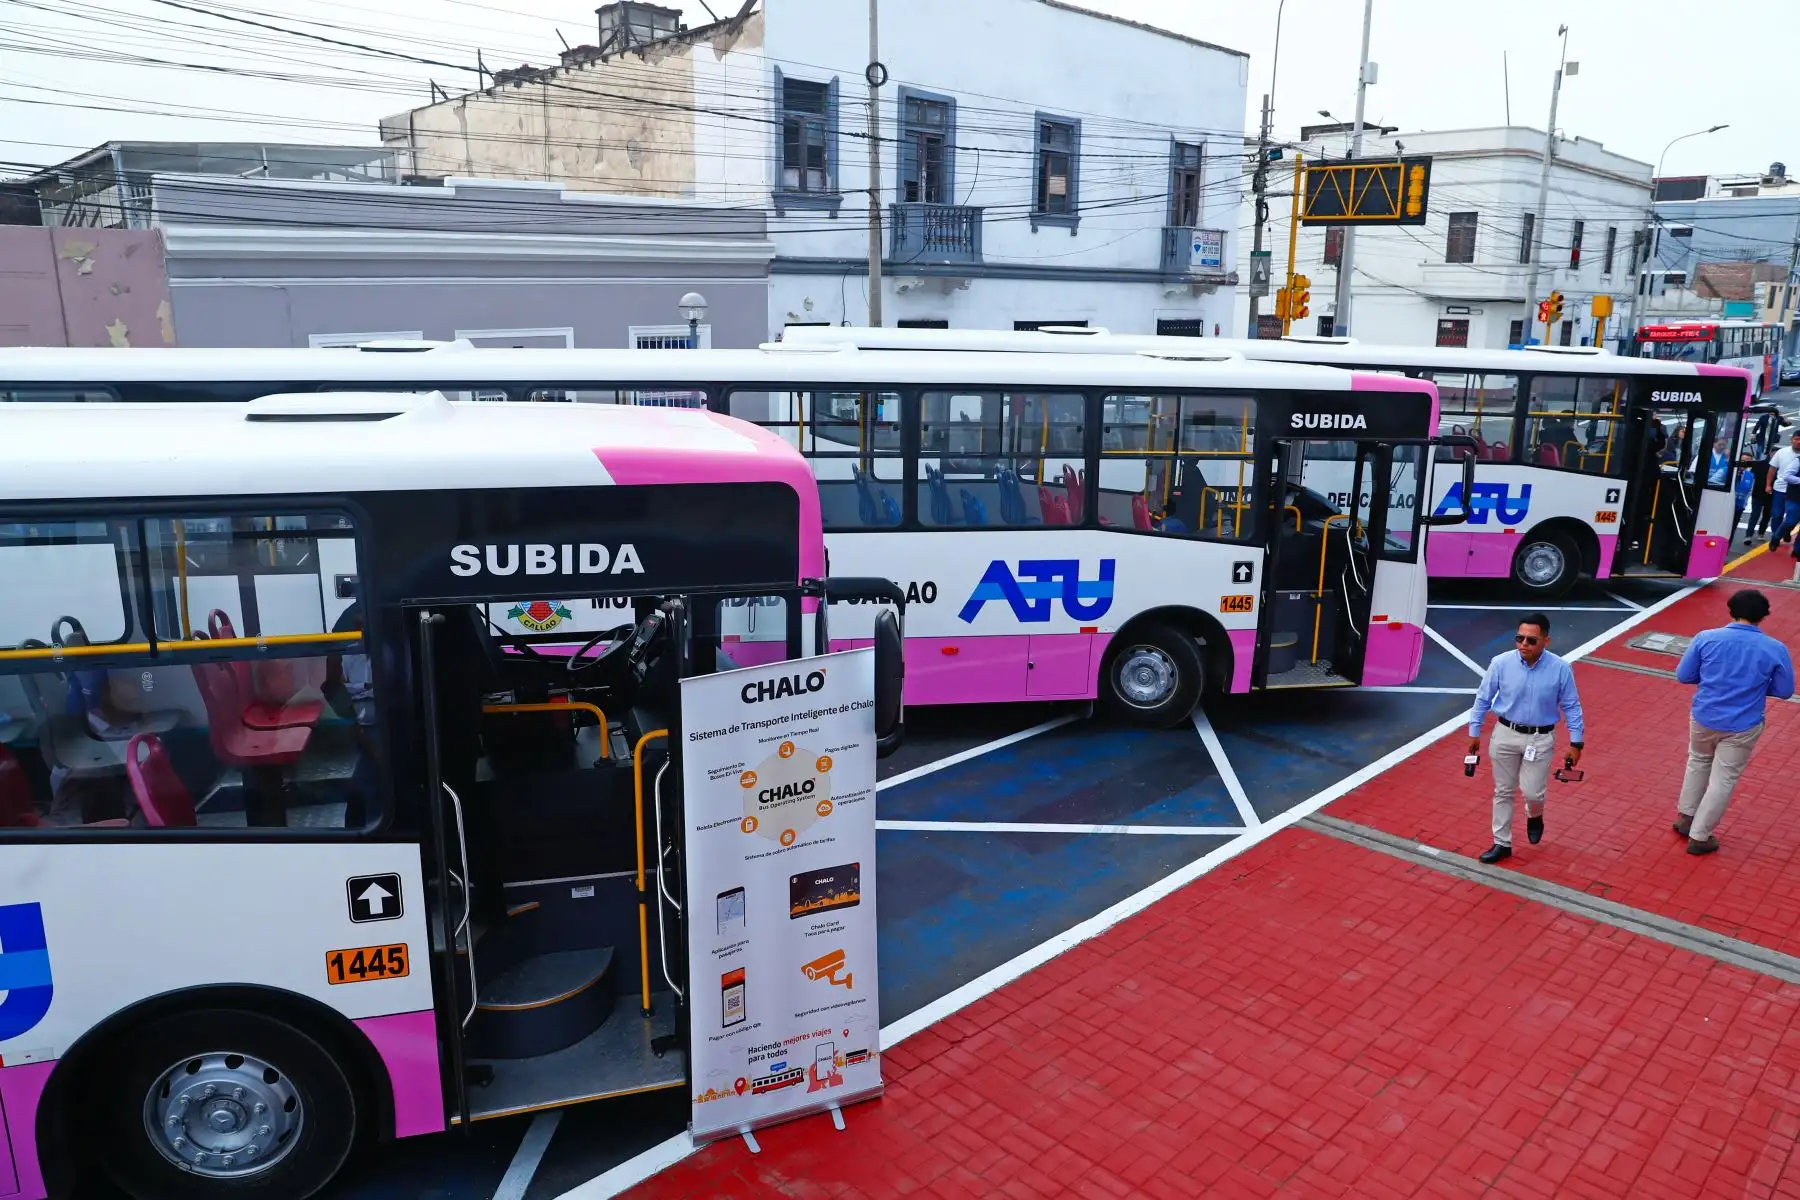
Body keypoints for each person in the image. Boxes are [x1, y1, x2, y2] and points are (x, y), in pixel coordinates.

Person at [1672, 589, 1795, 854]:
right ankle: (1700, 836)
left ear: (1731, 610)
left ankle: (1686, 816)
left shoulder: (1706, 638)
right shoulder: (1775, 648)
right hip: (1743, 724)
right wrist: (1757, 686)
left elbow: (1684, 675)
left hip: (1704, 716)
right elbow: (1785, 691)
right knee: (1723, 778)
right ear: (1763, 616)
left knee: (1697, 761)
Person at [1466, 613, 1586, 864]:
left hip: (1540, 739)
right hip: (1505, 735)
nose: (1523, 645)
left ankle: (1535, 816)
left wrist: (1576, 743)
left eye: (1531, 640)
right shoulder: (1500, 663)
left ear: (1546, 641)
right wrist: (1474, 732)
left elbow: (1572, 706)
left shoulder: (1561, 668)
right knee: (1503, 791)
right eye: (1519, 638)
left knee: (1533, 793)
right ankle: (1502, 843)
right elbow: (1483, 698)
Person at [1766, 429, 1800, 550]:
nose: (1798, 442)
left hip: (1796, 493)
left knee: (1791, 518)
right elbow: (1772, 469)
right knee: (1777, 515)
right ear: (1791, 440)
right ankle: (1776, 536)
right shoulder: (1782, 452)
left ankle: (1784, 532)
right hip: (1780, 488)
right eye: (1796, 439)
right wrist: (1768, 485)